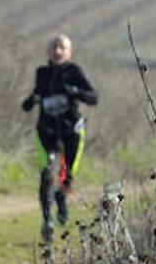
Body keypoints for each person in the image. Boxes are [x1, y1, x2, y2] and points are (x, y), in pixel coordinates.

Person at [21, 34, 98, 241]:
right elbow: (31, 100)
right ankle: (47, 220)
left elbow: (93, 97)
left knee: (67, 175)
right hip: (46, 132)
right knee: (47, 173)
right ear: (48, 52)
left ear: (69, 52)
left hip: (71, 130)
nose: (57, 51)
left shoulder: (74, 72)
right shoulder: (42, 73)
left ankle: (61, 196)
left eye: (61, 48)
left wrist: (74, 91)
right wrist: (30, 101)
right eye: (54, 47)